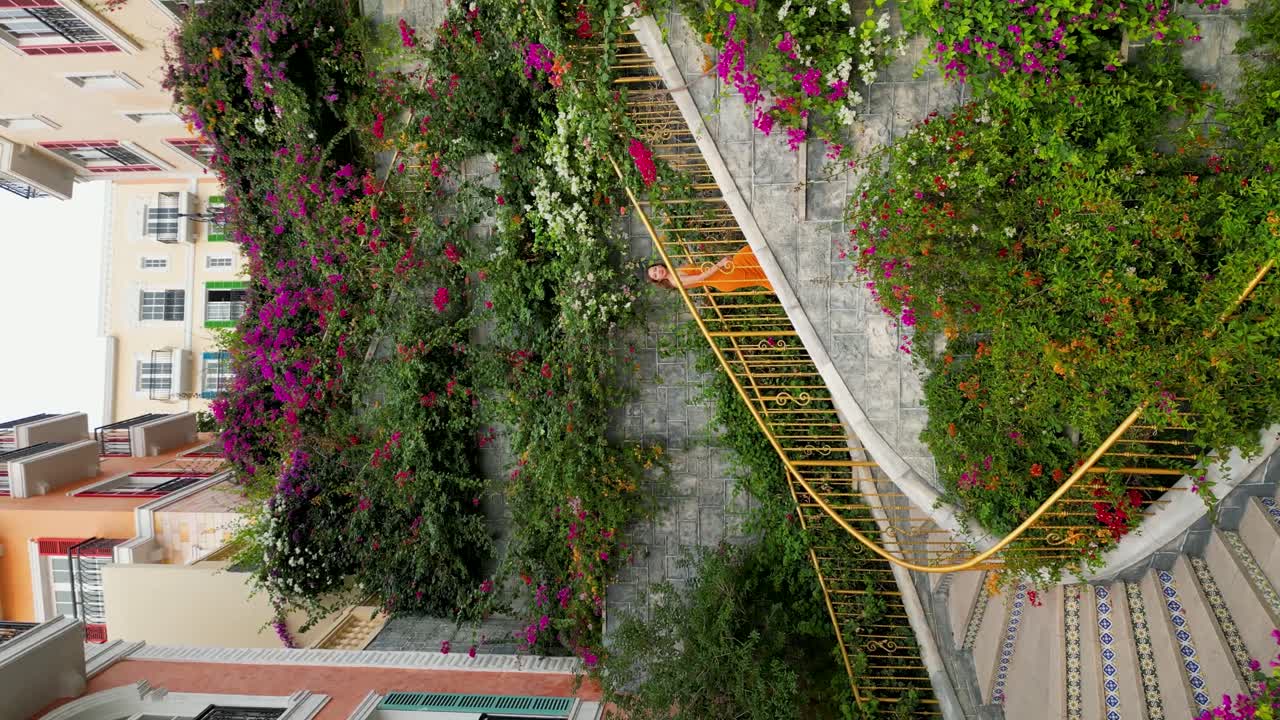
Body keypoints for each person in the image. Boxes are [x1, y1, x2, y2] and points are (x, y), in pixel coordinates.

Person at [646, 244, 773, 292]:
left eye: (655, 269)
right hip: (722, 278)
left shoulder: (674, 271)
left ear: (659, 265)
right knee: (750, 262)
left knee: (753, 267)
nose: (658, 271)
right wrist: (720, 264)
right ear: (659, 280)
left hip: (722, 274)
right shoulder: (674, 280)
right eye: (655, 275)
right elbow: (700, 277)